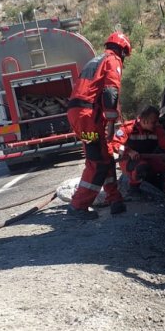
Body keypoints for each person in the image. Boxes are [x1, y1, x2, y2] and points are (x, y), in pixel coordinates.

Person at [66, 31, 132, 220]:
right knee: (97, 161)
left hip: (81, 115)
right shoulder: (113, 60)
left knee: (104, 156)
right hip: (88, 117)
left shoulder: (96, 60)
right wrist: (111, 122)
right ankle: (78, 206)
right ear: (123, 50)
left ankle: (114, 198)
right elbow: (110, 91)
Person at [111, 105, 165, 198]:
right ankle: (134, 190)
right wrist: (129, 151)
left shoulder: (157, 129)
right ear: (144, 121)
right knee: (141, 166)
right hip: (129, 160)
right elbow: (115, 144)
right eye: (154, 122)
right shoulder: (127, 128)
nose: (156, 124)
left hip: (149, 158)